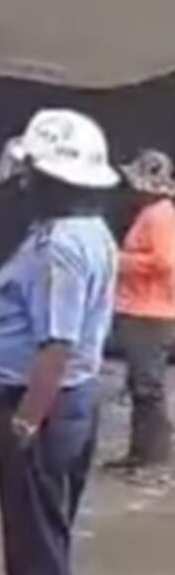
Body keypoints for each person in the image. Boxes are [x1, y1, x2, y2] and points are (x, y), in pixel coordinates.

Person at [0, 109, 119, 575]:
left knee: (36, 548)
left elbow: (56, 344)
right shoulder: (89, 235)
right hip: (68, 408)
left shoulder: (62, 246)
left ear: (51, 179)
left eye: (32, 171)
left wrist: (26, 421)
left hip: (45, 410)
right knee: (44, 542)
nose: (23, 182)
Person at [104, 149, 175, 473]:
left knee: (148, 386)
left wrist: (120, 261)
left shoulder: (159, 215)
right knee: (140, 385)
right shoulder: (155, 213)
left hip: (150, 312)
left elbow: (164, 262)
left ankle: (152, 456)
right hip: (144, 309)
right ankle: (141, 452)